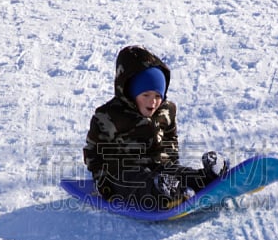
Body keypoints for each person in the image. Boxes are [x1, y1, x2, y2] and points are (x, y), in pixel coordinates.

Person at [83, 45, 228, 209]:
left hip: (159, 166)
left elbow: (170, 138)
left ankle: (209, 177)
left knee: (178, 173)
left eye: (158, 96)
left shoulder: (166, 110)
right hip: (122, 172)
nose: (153, 102)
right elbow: (93, 152)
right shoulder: (108, 116)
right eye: (146, 95)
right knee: (137, 183)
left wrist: (173, 165)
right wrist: (102, 181)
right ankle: (163, 193)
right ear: (130, 92)